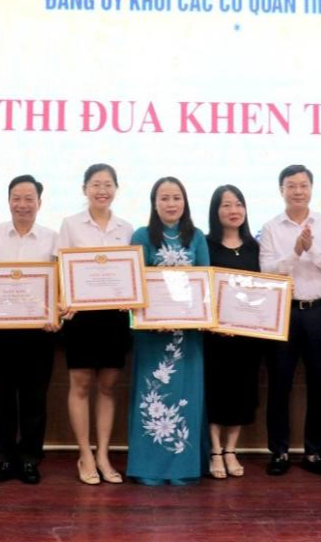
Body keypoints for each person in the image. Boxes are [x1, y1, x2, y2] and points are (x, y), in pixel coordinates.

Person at [259, 164, 321, 476]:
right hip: (283, 313)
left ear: (311, 188)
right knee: (279, 385)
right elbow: (267, 270)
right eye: (291, 186)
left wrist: (312, 249)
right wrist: (295, 252)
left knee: (319, 384)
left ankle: (315, 452)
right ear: (281, 190)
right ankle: (279, 452)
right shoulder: (271, 227)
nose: (298, 191)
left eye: (303, 185)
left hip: (318, 311)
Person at [0, 174, 58, 485]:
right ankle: (6, 456)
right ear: (8, 201)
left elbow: (59, 284)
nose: (22, 204)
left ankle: (30, 459)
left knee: (35, 398)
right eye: (16, 198)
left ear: (39, 202)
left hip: (38, 333)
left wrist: (56, 314)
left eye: (29, 199)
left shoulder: (53, 238)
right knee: (1, 397)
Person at [127, 176, 210, 485]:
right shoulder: (141, 235)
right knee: (153, 397)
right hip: (152, 335)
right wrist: (152, 317)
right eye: (164, 198)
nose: (171, 203)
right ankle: (149, 469)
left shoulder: (197, 237)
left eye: (176, 197)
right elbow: (133, 283)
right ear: (154, 203)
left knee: (185, 397)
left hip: (187, 335)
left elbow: (205, 284)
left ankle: (182, 469)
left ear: (185, 202)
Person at [57, 163, 134, 485]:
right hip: (81, 318)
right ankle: (85, 454)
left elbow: (132, 274)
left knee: (107, 386)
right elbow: (61, 269)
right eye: (96, 184)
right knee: (81, 384)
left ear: (116, 189)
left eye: (108, 184)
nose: (102, 190)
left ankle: (103, 454)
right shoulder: (70, 224)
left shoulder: (127, 228)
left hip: (114, 318)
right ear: (84, 189)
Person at [204, 184, 262, 479]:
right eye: (226, 205)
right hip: (215, 337)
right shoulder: (205, 245)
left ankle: (230, 450)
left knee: (242, 392)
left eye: (238, 204)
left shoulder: (255, 247)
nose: (233, 210)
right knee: (216, 391)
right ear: (216, 211)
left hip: (246, 337)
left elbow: (265, 290)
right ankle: (215, 450)